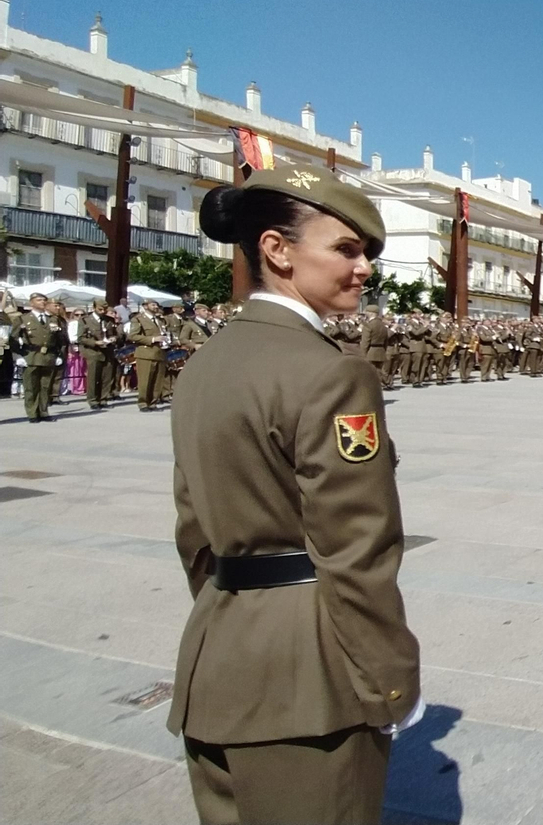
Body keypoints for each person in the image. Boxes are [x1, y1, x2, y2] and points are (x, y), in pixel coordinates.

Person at [168, 167, 422, 825]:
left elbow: (194, 531)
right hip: (310, 679)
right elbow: (356, 549)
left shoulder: (206, 364)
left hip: (216, 657)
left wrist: (238, 619)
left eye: (366, 253)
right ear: (278, 250)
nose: (363, 267)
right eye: (344, 249)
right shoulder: (331, 375)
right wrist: (391, 680)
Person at [13, 292, 66, 422]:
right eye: (39, 300)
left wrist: (59, 354)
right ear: (31, 303)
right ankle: (32, 413)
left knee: (45, 386)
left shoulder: (52, 320)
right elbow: (14, 338)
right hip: (30, 356)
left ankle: (43, 412)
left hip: (48, 356)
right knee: (31, 387)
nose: (42, 302)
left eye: (44, 300)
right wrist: (17, 355)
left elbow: (60, 339)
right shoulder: (23, 319)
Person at [79, 299, 122, 410]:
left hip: (108, 350)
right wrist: (94, 342)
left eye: (105, 309)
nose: (102, 311)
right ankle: (93, 400)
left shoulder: (109, 320)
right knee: (93, 377)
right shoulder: (85, 320)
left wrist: (114, 338)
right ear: (94, 308)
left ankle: (103, 398)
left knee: (107, 377)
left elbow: (116, 334)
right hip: (93, 352)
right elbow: (81, 338)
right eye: (100, 309)